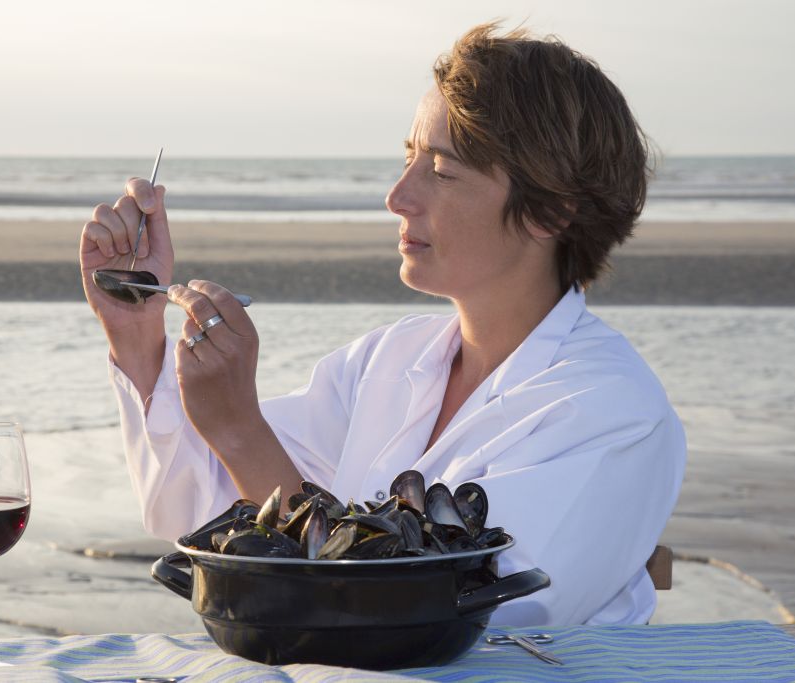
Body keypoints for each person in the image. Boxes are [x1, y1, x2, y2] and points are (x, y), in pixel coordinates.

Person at [79, 21, 686, 626]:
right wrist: (137, 333)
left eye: (442, 172)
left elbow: (444, 619)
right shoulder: (387, 361)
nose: (397, 197)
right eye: (408, 158)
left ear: (551, 210)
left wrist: (240, 428)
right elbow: (192, 504)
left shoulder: (611, 411)